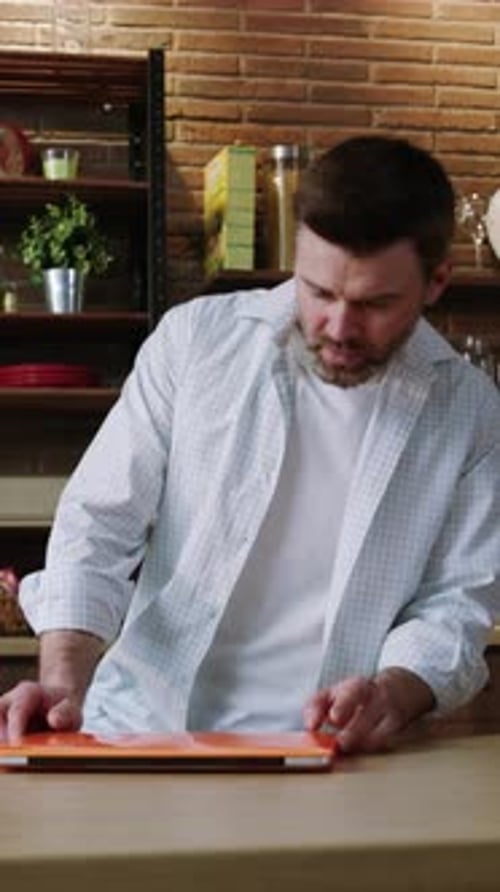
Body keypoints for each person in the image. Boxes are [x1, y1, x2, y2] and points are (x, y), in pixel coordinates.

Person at [1, 135, 500, 754]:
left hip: (331, 756)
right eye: (318, 291)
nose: (339, 328)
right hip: (144, 729)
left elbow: (457, 600)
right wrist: (61, 682)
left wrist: (395, 692)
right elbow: (99, 522)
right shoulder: (194, 342)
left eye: (375, 303)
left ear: (436, 282)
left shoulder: (470, 410)